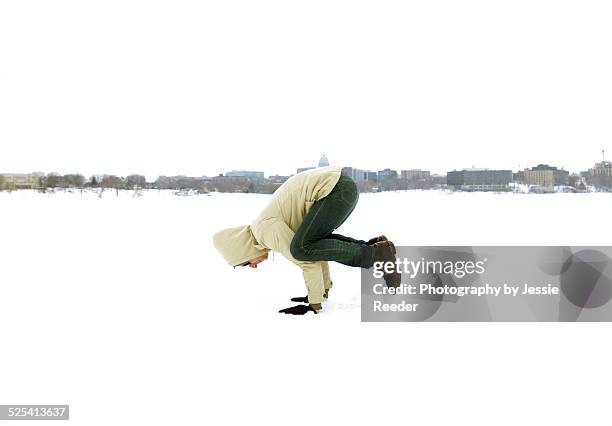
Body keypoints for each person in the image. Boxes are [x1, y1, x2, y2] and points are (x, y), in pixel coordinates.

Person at [213, 166, 400, 315]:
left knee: (301, 249)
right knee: (311, 244)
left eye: (246, 263)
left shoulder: (264, 231)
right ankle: (376, 247)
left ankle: (377, 254)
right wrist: (323, 291)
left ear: (244, 250)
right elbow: (317, 251)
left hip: (335, 189)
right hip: (339, 186)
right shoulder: (263, 228)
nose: (253, 266)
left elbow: (306, 260)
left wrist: (314, 304)